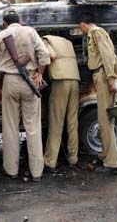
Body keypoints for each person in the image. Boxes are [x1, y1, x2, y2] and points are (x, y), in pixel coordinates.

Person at [0, 9, 50, 181]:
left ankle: (11, 170)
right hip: (31, 81)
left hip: (9, 81)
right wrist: (39, 74)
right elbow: (45, 55)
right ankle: (37, 172)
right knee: (33, 128)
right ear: (20, 21)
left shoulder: (1, 35)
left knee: (10, 128)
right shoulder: (30, 31)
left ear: (5, 23)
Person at [78, 13, 117, 175]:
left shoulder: (96, 33)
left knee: (105, 121)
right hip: (102, 76)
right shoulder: (96, 33)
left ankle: (113, 164)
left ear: (82, 24)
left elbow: (108, 56)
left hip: (103, 76)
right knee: (104, 119)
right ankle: (105, 154)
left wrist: (111, 80)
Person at [42, 35, 80, 171]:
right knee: (72, 122)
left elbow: (49, 55)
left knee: (56, 122)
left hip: (60, 80)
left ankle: (50, 161)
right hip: (75, 80)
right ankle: (73, 158)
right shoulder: (68, 41)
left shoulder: (46, 40)